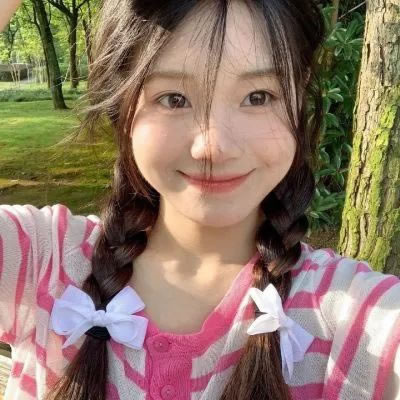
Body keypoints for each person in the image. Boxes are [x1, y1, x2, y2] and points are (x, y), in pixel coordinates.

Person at [0, 0, 399, 399]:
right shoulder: (40, 259)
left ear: (299, 99)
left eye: (258, 97)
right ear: (123, 105)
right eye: (174, 98)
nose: (214, 147)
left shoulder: (357, 316)